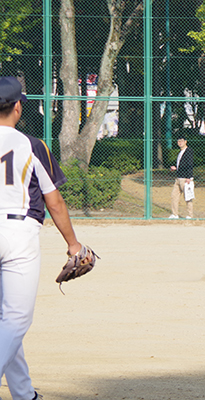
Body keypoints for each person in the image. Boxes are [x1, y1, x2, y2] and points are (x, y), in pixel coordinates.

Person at [0, 76, 90, 400]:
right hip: (18, 233)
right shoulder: (32, 145)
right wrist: (73, 244)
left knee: (5, 322)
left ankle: (24, 394)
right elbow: (54, 201)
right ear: (18, 107)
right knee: (15, 319)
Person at [169, 134, 194, 219]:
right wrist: (176, 168)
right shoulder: (180, 152)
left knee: (187, 197)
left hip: (185, 178)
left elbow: (190, 164)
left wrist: (189, 177)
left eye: (182, 141)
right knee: (174, 196)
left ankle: (190, 215)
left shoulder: (188, 151)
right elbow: (182, 164)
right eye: (178, 141)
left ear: (185, 142)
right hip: (178, 177)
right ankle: (175, 214)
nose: (180, 143)